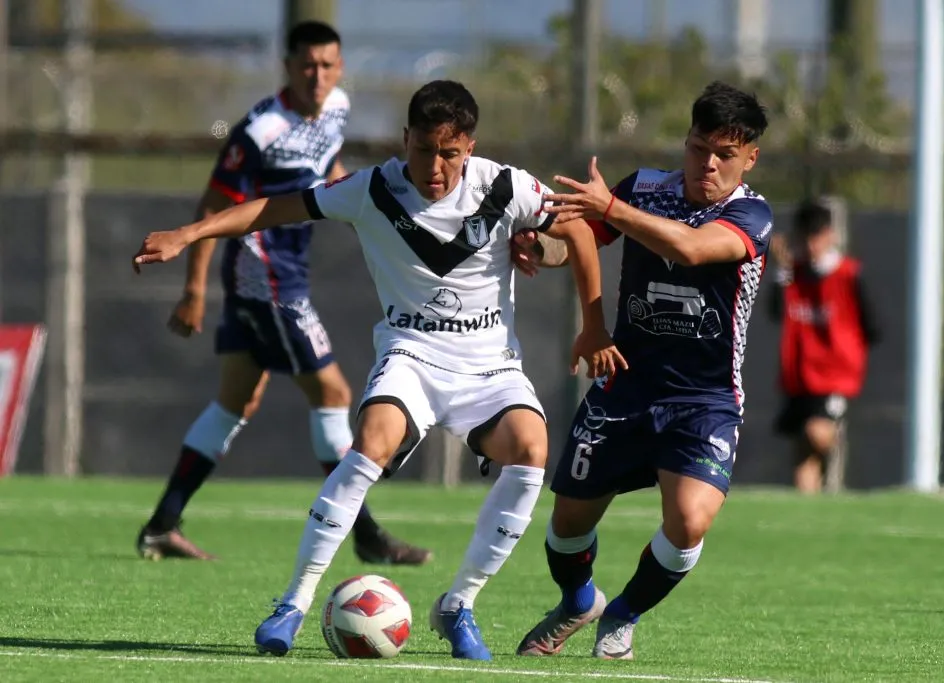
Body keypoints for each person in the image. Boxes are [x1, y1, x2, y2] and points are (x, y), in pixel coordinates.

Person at [132, 79, 626, 660]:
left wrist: (592, 323)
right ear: (405, 139)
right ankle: (293, 603)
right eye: (423, 150)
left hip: (491, 366)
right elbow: (275, 207)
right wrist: (188, 234)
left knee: (532, 449)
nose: (435, 167)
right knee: (370, 441)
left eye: (449, 153)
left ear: (469, 147)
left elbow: (575, 233)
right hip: (410, 356)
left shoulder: (505, 185)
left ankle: (459, 604)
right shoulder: (371, 189)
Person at [135, 20, 431, 566]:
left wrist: (365, 209)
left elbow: (328, 168)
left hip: (285, 271)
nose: (317, 76)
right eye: (306, 65)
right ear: (288, 67)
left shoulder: (337, 107)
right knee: (333, 394)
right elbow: (213, 203)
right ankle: (366, 534)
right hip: (265, 277)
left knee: (236, 401)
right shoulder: (260, 130)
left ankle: (161, 525)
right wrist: (194, 288)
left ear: (340, 68)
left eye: (327, 65)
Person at [511, 81, 772, 661]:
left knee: (689, 521)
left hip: (704, 399)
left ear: (749, 158)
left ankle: (623, 614)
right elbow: (578, 241)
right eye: (699, 148)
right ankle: (579, 601)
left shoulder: (752, 213)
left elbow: (691, 249)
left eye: (724, 154)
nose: (708, 164)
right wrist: (539, 248)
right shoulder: (643, 189)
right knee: (567, 524)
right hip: (624, 384)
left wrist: (609, 207)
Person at [768, 199, 881, 493]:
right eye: (805, 237)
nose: (811, 245)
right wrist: (782, 270)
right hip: (799, 376)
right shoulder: (793, 274)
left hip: (833, 377)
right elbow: (776, 312)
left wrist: (847, 351)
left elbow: (873, 326)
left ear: (830, 235)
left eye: (816, 237)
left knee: (815, 432)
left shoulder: (848, 275)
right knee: (802, 453)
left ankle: (837, 445)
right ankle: (807, 510)